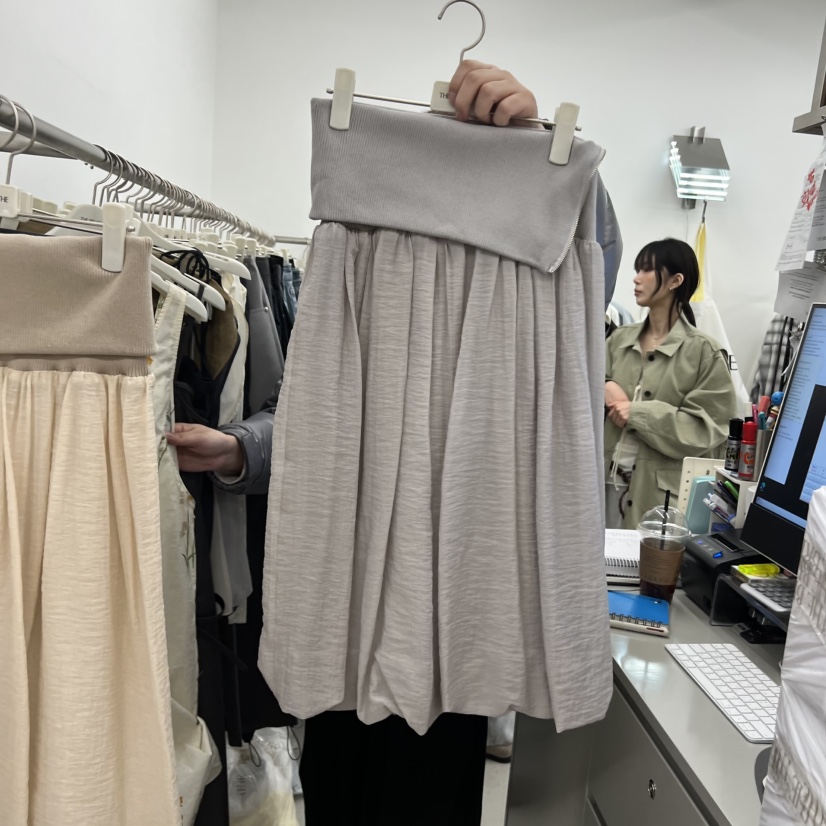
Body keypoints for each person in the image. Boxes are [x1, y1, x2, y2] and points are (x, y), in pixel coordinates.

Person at [604, 238, 737, 530]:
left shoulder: (703, 352)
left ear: (676, 281)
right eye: (637, 270)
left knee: (643, 559)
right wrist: (604, 384)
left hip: (657, 499)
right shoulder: (618, 340)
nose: (636, 278)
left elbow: (708, 428)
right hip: (600, 485)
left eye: (647, 270)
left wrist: (637, 413)